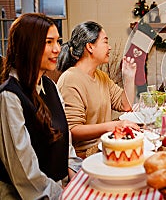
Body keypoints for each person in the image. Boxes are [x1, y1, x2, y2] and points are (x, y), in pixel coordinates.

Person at [0, 13, 81, 199]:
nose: (58, 49)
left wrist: (74, 175)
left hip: (60, 189)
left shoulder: (50, 86)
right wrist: (62, 194)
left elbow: (64, 142)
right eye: (49, 42)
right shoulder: (9, 96)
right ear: (28, 45)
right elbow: (25, 174)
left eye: (58, 41)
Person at [56, 21, 140, 158]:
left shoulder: (101, 76)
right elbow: (73, 130)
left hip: (105, 147)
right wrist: (113, 125)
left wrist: (129, 77)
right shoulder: (70, 80)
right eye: (105, 42)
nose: (110, 47)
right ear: (90, 47)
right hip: (84, 156)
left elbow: (125, 105)